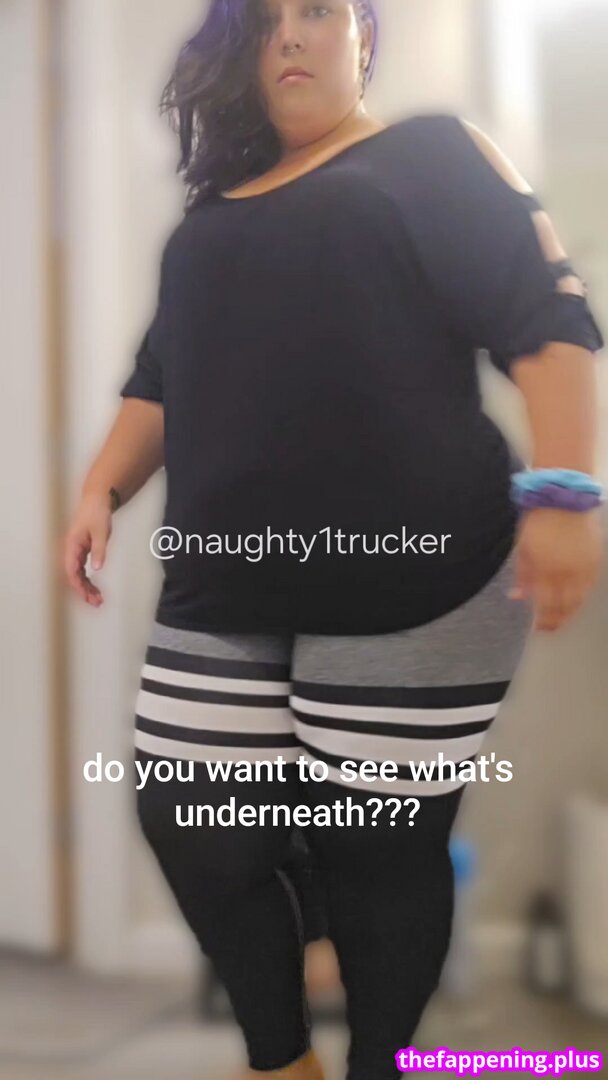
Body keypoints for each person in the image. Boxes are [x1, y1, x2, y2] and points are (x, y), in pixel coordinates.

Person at [63, 1, 606, 1077]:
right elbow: (161, 379)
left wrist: (563, 494)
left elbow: (548, 318)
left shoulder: (430, 155)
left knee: (377, 850)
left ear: (363, 35)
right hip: (227, 583)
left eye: (316, 11)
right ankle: (281, 1061)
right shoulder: (211, 214)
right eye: (264, 22)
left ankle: (376, 1064)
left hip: (418, 581)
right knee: (190, 821)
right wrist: (98, 489)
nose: (291, 36)